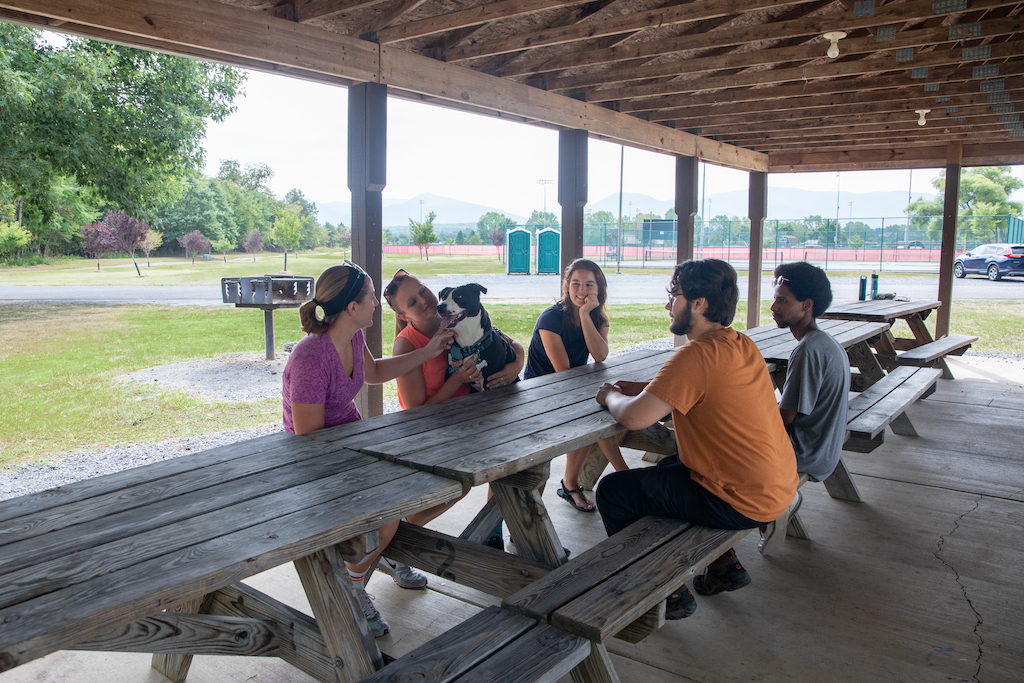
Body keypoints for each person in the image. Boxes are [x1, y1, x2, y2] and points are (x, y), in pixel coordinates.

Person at [594, 259, 797, 619]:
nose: (668, 305)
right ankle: (725, 567)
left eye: (674, 295)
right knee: (671, 469)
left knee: (614, 492)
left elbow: (634, 417)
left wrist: (609, 396)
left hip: (740, 500)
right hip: (776, 488)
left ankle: (660, 590)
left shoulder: (696, 354)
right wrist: (639, 389)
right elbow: (685, 387)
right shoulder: (739, 344)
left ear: (698, 303)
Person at [282, 261, 455, 637]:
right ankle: (353, 588)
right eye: (372, 298)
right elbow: (309, 438)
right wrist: (369, 465)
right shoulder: (311, 358)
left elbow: (373, 374)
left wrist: (429, 352)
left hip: (352, 444)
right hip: (314, 461)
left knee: (426, 484)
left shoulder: (353, 338)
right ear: (352, 308)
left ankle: (377, 558)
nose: (378, 304)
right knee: (388, 509)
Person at [383, 269, 525, 550]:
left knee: (522, 458)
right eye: (412, 302)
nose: (423, 300)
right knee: (459, 486)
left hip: (473, 416)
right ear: (403, 316)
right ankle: (395, 535)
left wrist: (515, 365)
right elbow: (416, 411)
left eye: (422, 290)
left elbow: (507, 341)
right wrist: (458, 379)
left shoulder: (452, 315)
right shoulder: (405, 345)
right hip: (436, 428)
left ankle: (496, 529)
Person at [524, 258, 628, 512]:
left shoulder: (597, 318)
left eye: (589, 285)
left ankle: (576, 482)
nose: (582, 290)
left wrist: (585, 316)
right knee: (594, 413)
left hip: (574, 387)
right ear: (567, 286)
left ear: (599, 289)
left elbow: (600, 355)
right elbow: (562, 372)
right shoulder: (551, 318)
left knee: (603, 407)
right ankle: (624, 476)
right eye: (576, 284)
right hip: (540, 392)